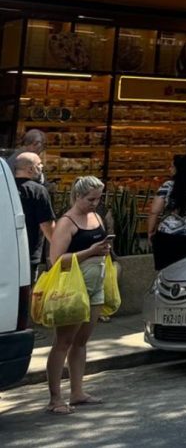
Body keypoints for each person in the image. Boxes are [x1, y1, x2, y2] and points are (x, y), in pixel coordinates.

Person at [46, 176, 111, 414]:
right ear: (77, 196)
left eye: (99, 198)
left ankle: (77, 391)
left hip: (96, 285)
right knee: (63, 342)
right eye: (90, 199)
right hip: (74, 288)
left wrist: (103, 250)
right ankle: (55, 398)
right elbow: (56, 260)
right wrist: (90, 251)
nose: (95, 203)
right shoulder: (67, 222)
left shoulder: (96, 217)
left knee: (82, 341)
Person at [148, 155, 186, 270]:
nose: (169, 169)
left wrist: (150, 232)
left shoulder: (167, 186)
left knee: (166, 272)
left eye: (171, 166)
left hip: (167, 236)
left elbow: (154, 211)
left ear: (178, 169)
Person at [14, 152, 54, 281]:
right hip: (28, 255)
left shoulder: (6, 188)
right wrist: (59, 245)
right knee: (24, 296)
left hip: (4, 252)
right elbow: (46, 224)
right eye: (39, 164)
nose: (42, 167)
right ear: (30, 169)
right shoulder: (38, 191)